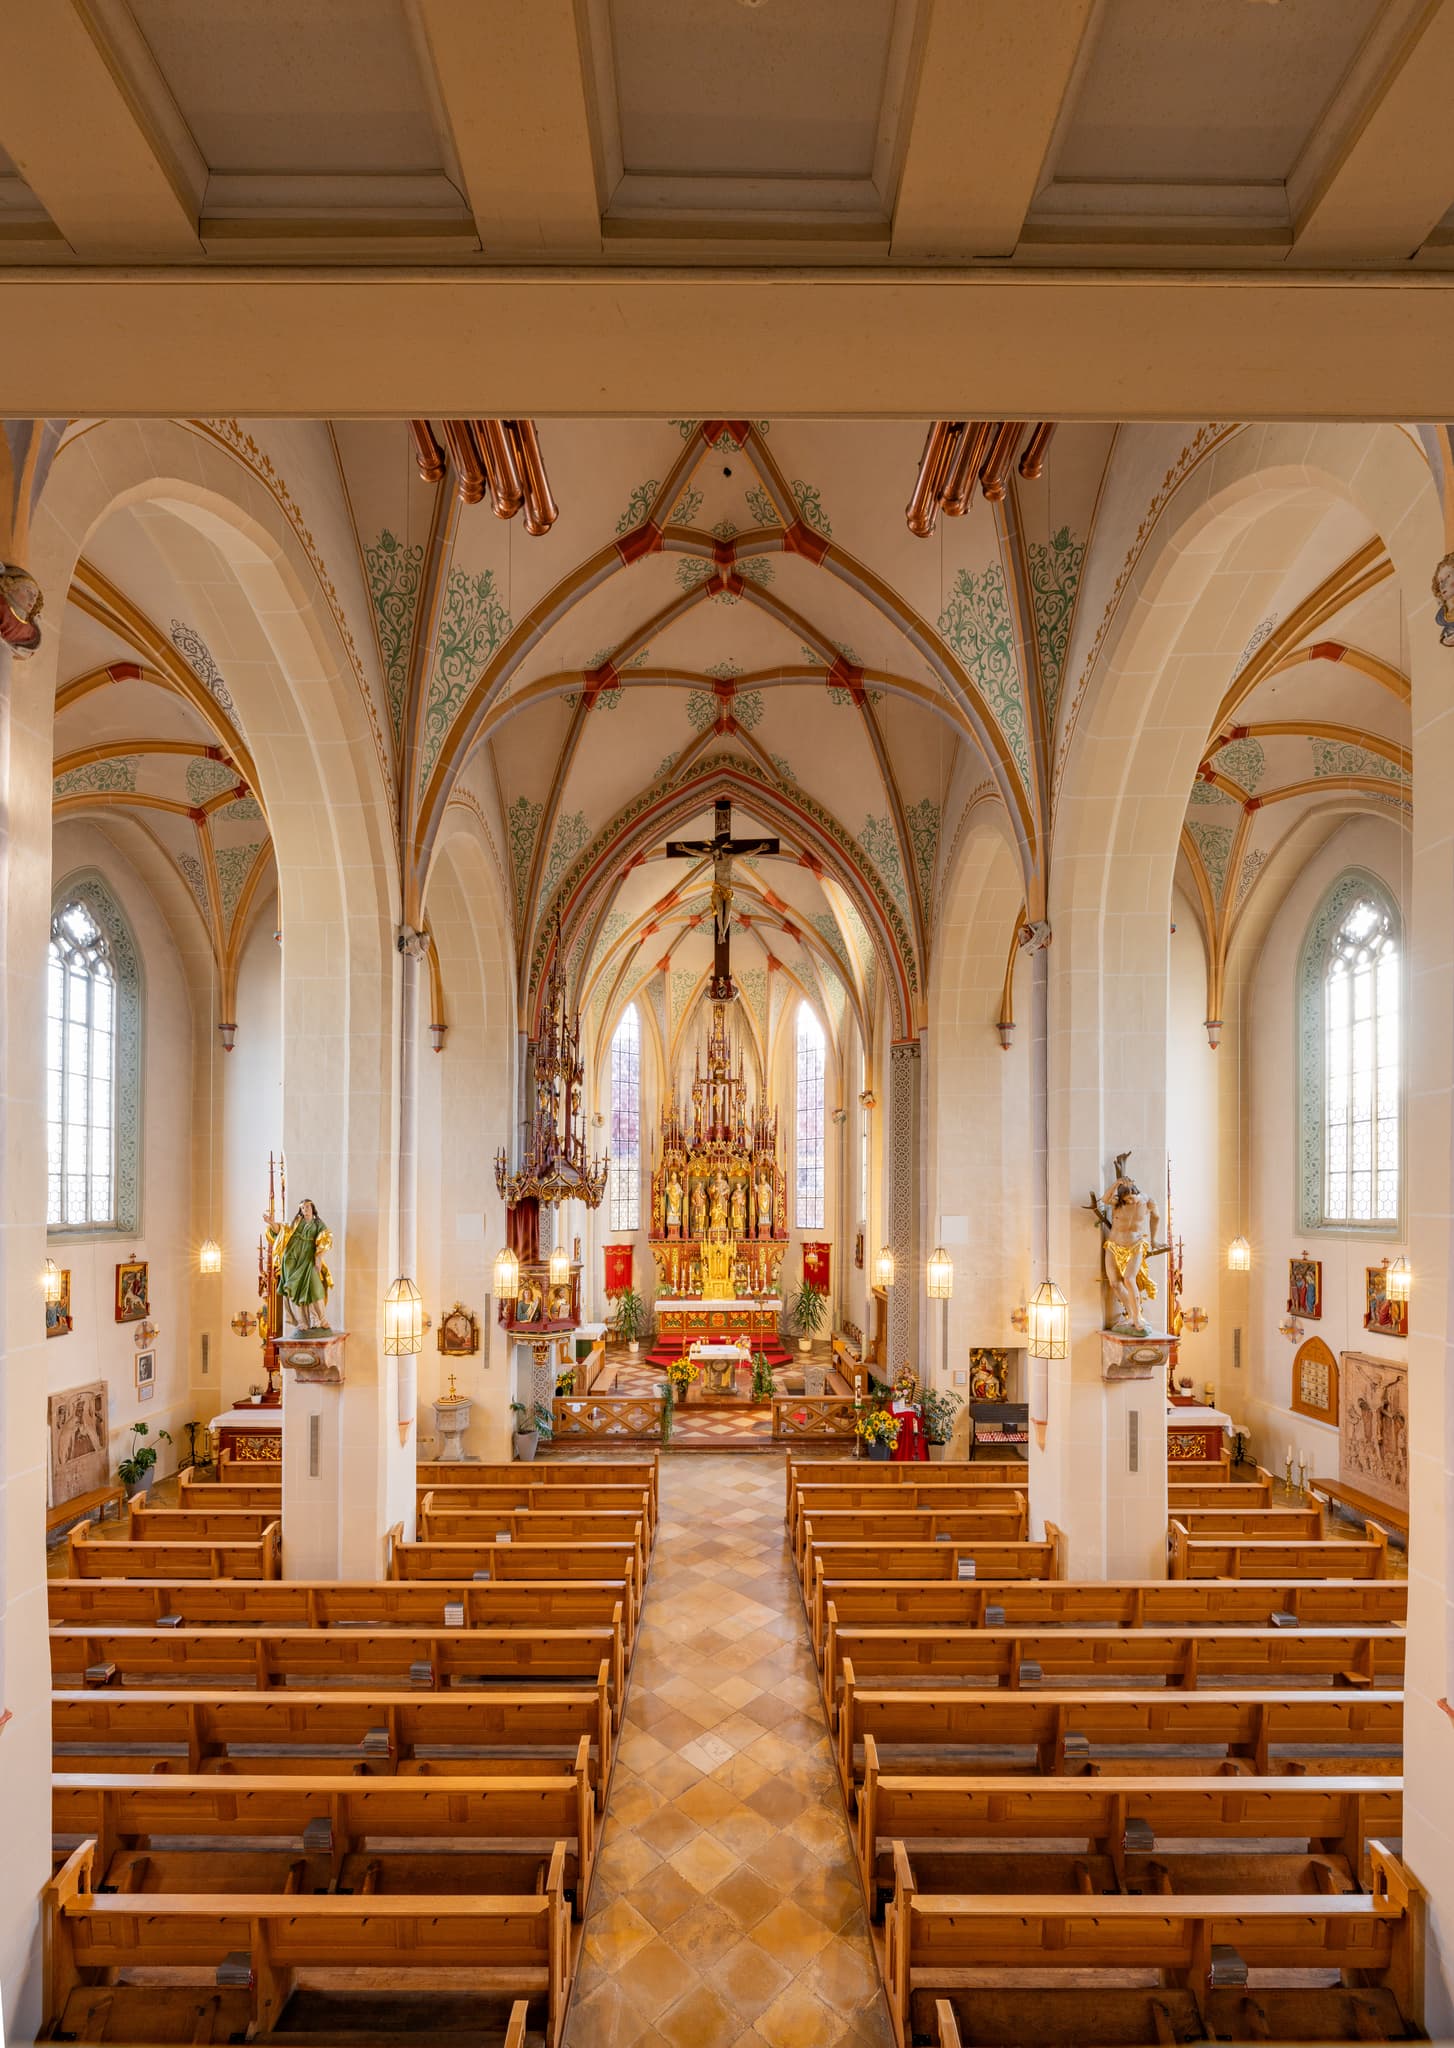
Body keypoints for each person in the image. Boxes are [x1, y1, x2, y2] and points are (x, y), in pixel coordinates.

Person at [277, 1198, 332, 1330]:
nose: (305, 1210)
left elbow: (326, 1238)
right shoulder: (296, 1222)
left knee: (315, 1289)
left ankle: (321, 1320)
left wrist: (318, 1257)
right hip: (292, 1258)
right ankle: (302, 1321)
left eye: (307, 1207)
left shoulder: (318, 1223)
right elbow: (282, 1231)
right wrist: (272, 1223)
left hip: (308, 1259)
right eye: (302, 1208)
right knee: (294, 1290)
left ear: (312, 1208)